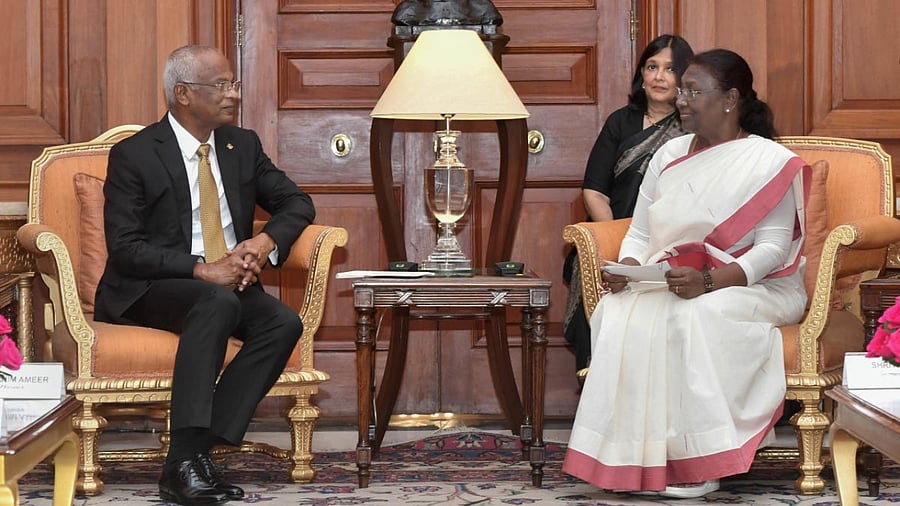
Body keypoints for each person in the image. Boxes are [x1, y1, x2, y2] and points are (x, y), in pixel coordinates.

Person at [562, 48, 810, 498]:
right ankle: (639, 462)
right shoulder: (670, 153)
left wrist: (712, 282)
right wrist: (631, 269)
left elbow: (773, 250)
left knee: (694, 315)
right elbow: (640, 232)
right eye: (683, 90)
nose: (682, 99)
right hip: (676, 278)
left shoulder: (770, 160)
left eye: (695, 91)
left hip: (760, 285)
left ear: (731, 98)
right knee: (617, 312)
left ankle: (699, 463)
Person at [94, 45, 316, 505]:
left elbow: (298, 203)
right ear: (182, 93)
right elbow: (126, 248)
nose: (233, 94)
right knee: (216, 300)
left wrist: (262, 243)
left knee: (282, 322)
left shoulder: (242, 146)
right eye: (221, 85)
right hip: (149, 287)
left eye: (233, 84)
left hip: (225, 283)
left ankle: (192, 453)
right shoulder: (134, 155)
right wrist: (201, 269)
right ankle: (188, 462)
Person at [563, 34, 694, 381]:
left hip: (673, 238)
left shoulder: (695, 126)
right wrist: (618, 241)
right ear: (641, 73)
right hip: (618, 234)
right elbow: (594, 191)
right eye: (652, 67)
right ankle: (599, 376)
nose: (659, 77)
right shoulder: (621, 121)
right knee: (586, 262)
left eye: (670, 69)